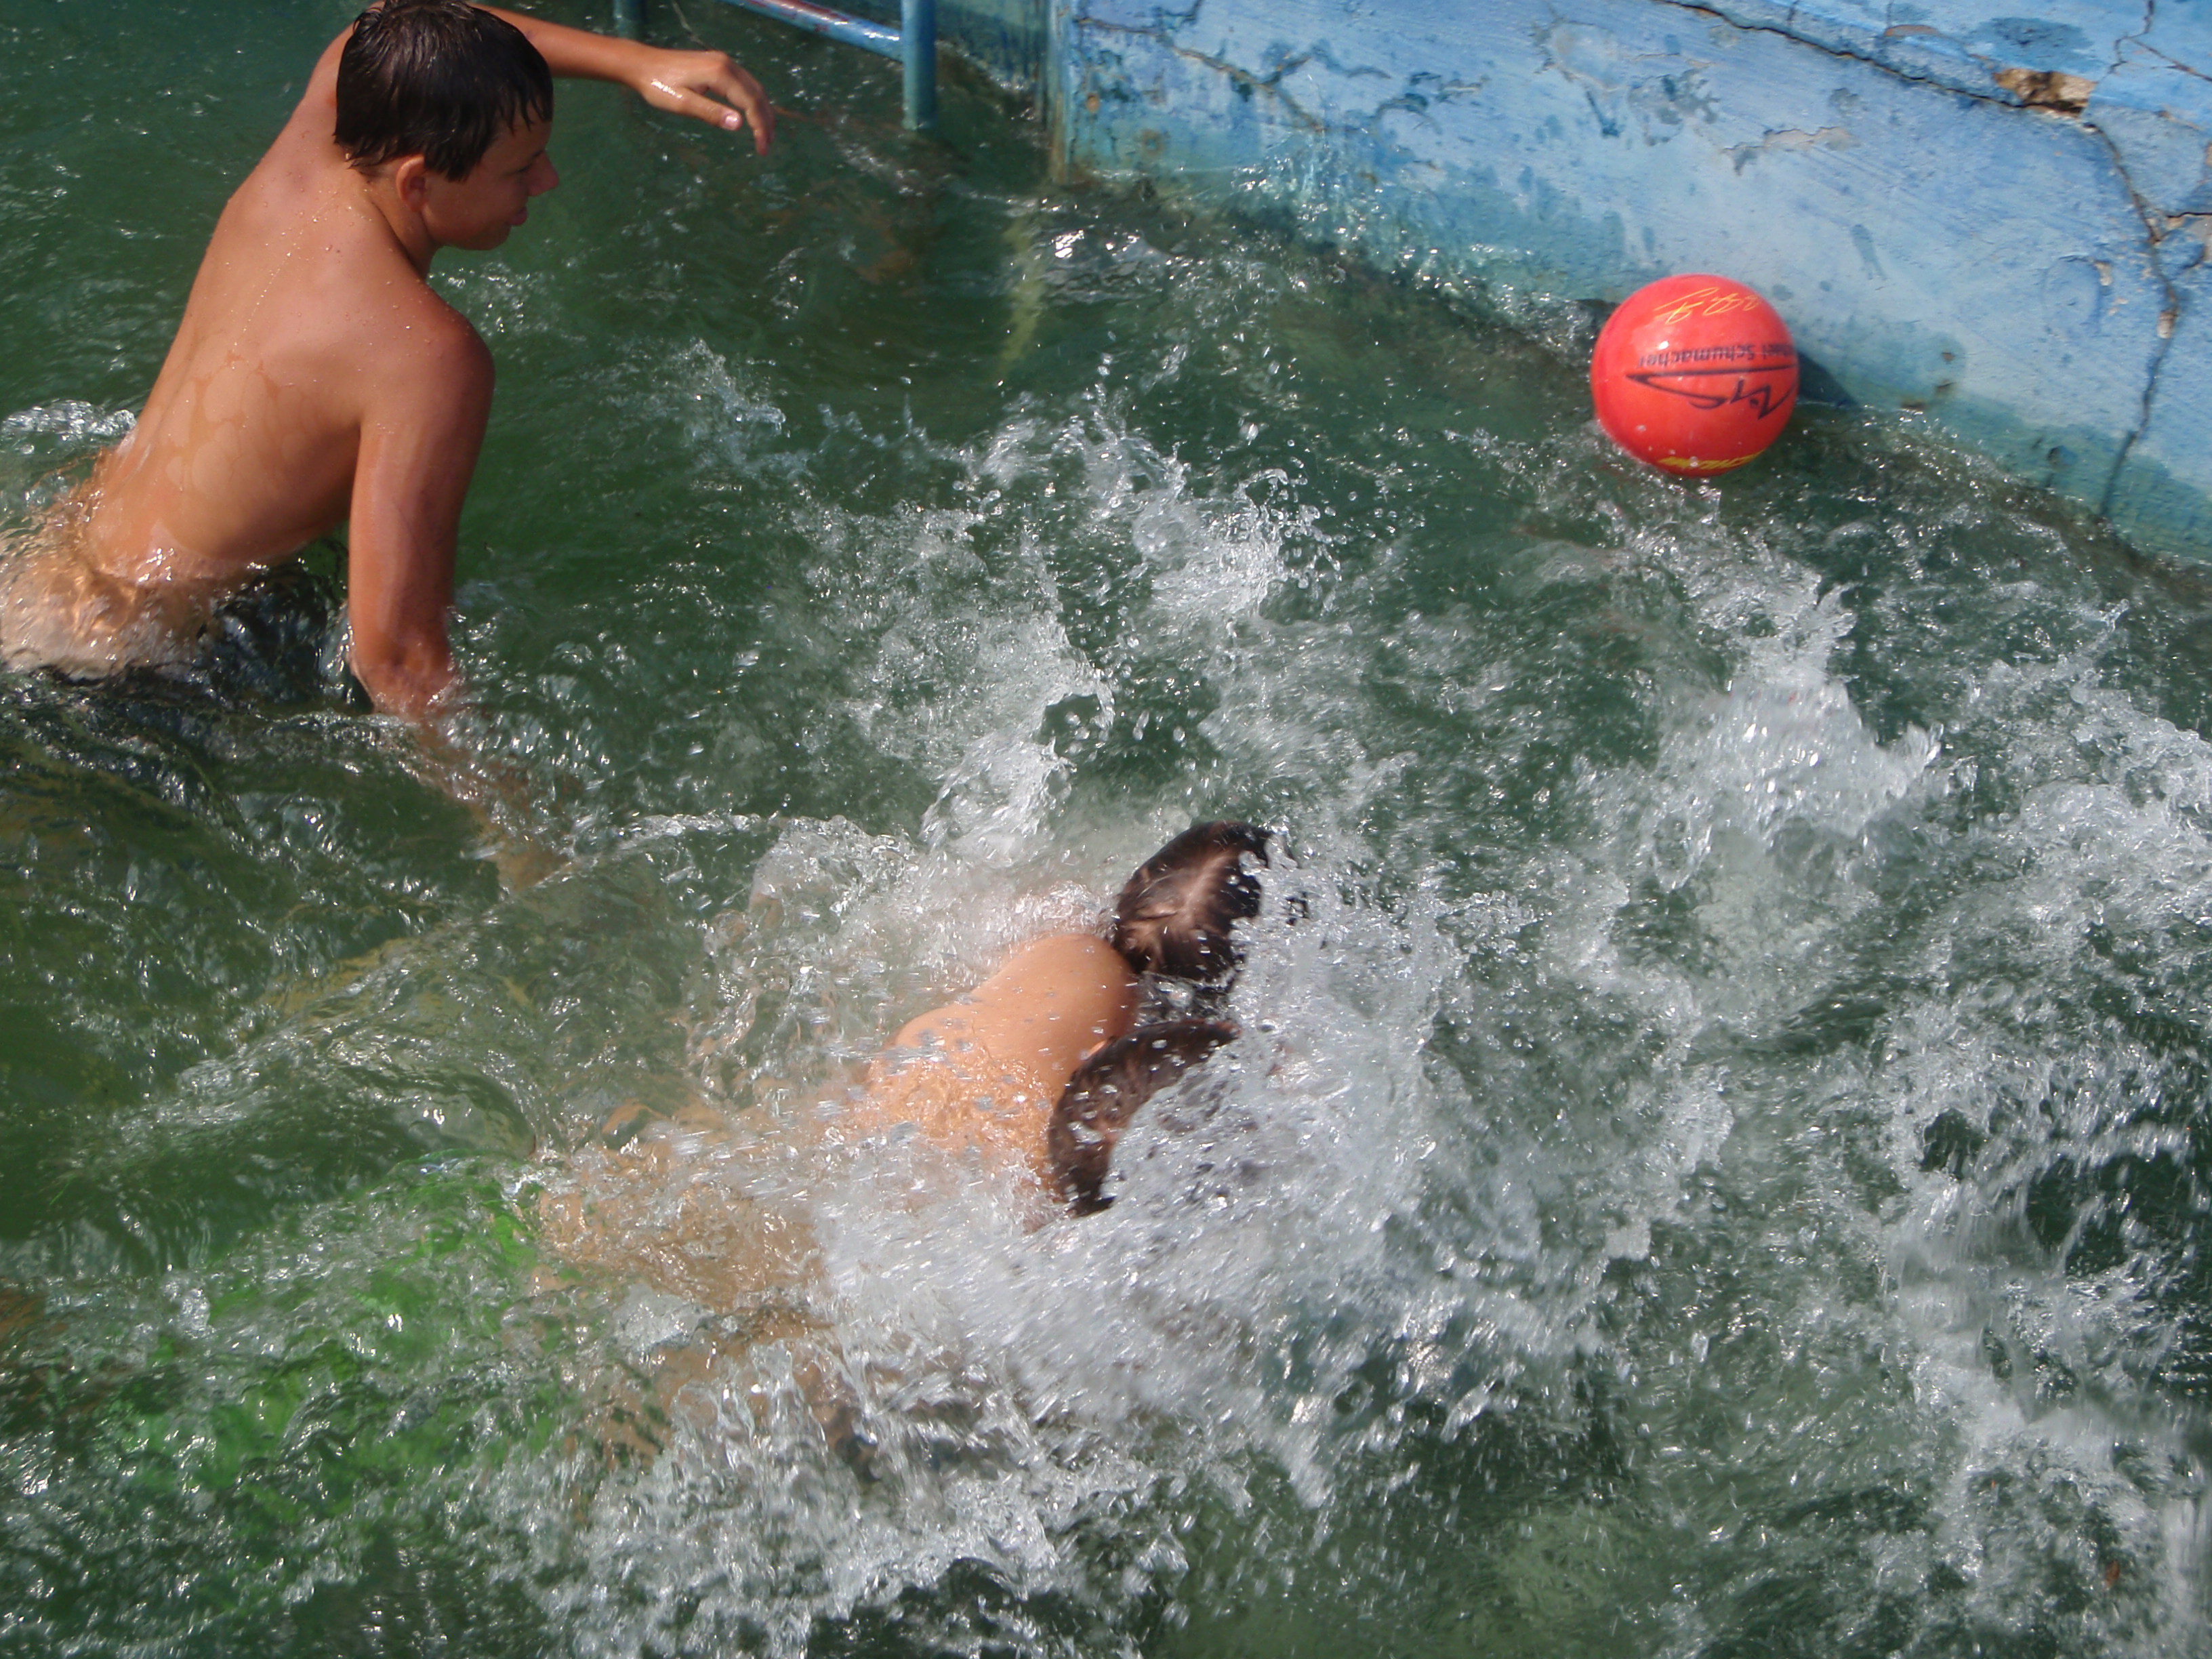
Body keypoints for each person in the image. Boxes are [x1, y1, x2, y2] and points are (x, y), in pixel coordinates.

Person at [0, 0, 772, 728]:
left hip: (45, 576)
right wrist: (521, 817)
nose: (548, 180)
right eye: (521, 167)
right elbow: (397, 662)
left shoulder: (314, 149)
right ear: (417, 183)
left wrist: (635, 62)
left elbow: (392, 21)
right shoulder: (425, 355)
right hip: (130, 682)